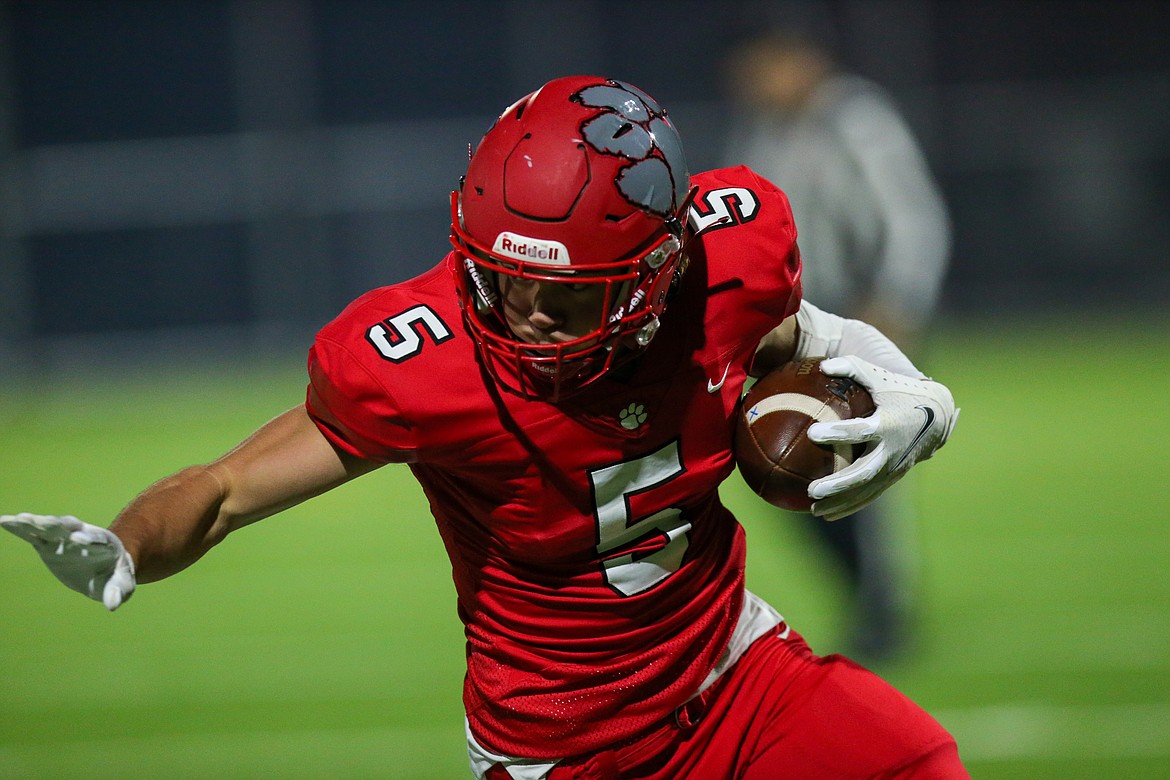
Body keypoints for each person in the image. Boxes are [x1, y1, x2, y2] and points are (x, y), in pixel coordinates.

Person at [2, 76, 966, 779]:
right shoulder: (422, 366)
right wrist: (128, 541)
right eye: (501, 278)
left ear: (658, 273)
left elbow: (811, 335)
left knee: (919, 763)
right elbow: (222, 491)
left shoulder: (725, 265)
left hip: (732, 668)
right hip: (565, 746)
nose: (523, 313)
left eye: (560, 293)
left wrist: (919, 398)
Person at [724, 32, 953, 661]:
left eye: (764, 65)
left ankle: (884, 608)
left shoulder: (856, 119)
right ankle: (869, 598)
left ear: (801, 58)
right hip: (792, 329)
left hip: (860, 315)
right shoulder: (767, 132)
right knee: (782, 460)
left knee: (863, 461)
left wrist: (899, 300)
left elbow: (913, 215)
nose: (756, 82)